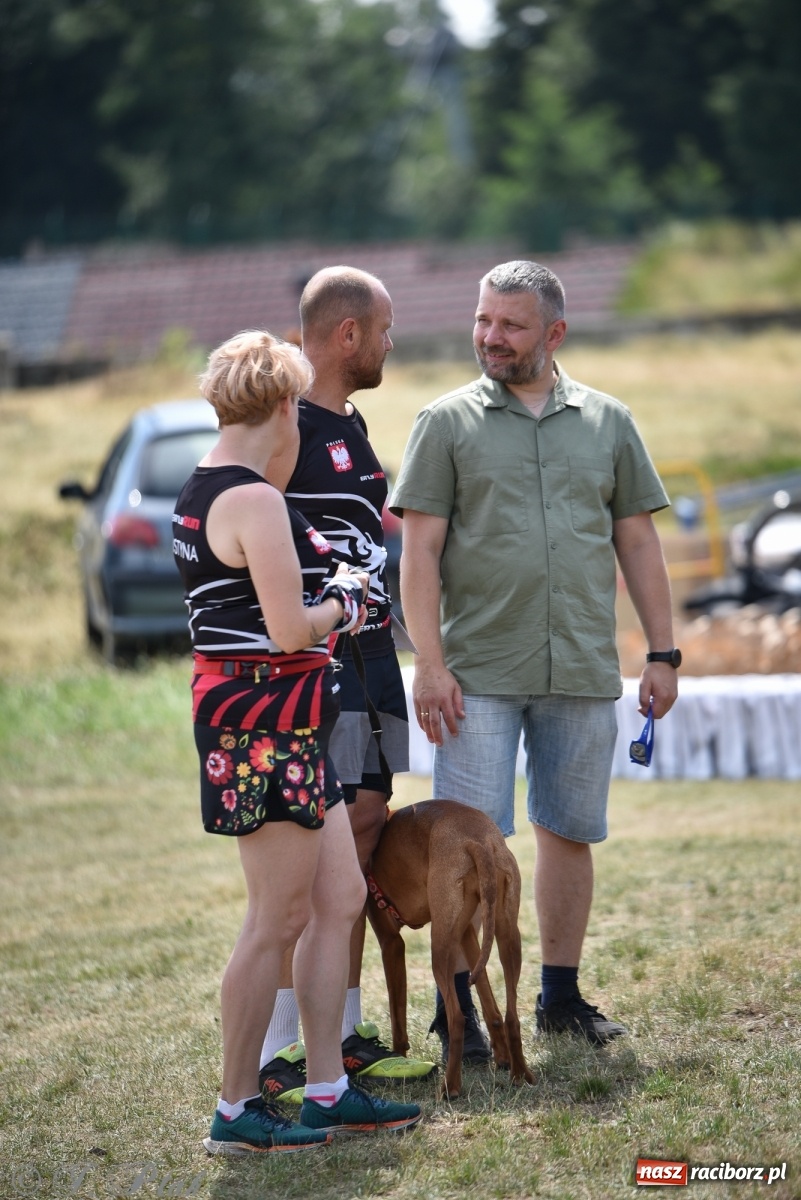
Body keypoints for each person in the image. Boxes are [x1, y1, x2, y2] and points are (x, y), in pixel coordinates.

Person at [390, 260, 679, 1051]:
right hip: (474, 675)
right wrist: (430, 662)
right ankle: (460, 1015)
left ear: (553, 333)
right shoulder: (442, 423)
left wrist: (662, 652)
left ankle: (558, 996)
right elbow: (417, 555)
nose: (489, 336)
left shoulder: (609, 421)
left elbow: (637, 540)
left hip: (581, 666)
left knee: (570, 832)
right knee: (470, 848)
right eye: (483, 320)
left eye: (509, 325)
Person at [173, 329, 421, 1155]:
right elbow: (287, 630)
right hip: (264, 728)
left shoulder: (204, 487)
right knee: (273, 919)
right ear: (284, 405)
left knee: (337, 900)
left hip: (286, 723)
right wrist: (345, 604)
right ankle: (236, 1110)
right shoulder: (253, 499)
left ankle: (325, 1090)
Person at [257, 267, 436, 1102]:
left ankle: (345, 1032)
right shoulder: (281, 421)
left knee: (365, 827)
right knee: (310, 858)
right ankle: (283, 1049)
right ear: (347, 335)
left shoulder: (353, 420)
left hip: (373, 661)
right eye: (386, 329)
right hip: (319, 666)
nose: (392, 344)